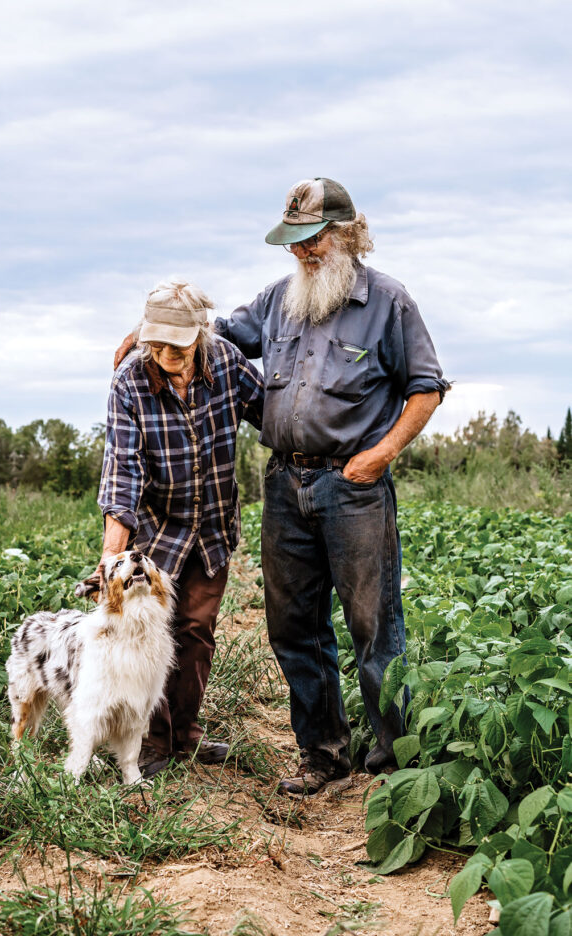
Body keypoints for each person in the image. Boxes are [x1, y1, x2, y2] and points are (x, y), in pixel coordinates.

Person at [214, 177, 449, 794]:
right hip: (284, 483)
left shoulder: (388, 303)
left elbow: (426, 386)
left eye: (311, 241)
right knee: (293, 624)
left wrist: (382, 453)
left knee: (374, 625)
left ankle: (395, 761)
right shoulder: (276, 301)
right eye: (293, 243)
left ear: (347, 234)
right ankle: (323, 752)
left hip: (354, 487)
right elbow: (216, 336)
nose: (301, 253)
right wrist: (156, 331)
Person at [93, 280, 264, 779]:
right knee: (146, 636)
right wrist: (112, 553)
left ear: (200, 334)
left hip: (212, 527)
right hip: (156, 531)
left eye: (178, 342)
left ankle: (185, 736)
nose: (167, 352)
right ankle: (152, 741)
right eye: (157, 341)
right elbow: (122, 471)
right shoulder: (130, 381)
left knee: (196, 632)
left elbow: (275, 415)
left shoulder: (227, 363)